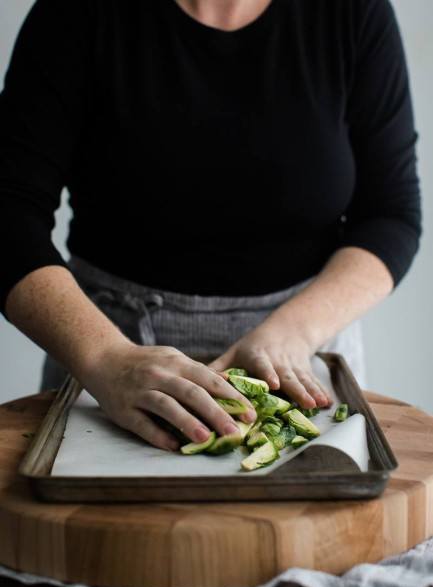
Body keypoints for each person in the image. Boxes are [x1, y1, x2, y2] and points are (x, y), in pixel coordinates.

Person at [0, 0, 421, 451]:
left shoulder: (355, 12)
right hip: (107, 363)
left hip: (302, 355)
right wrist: (106, 357)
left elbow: (390, 214)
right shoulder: (75, 13)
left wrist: (293, 332)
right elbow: (9, 212)